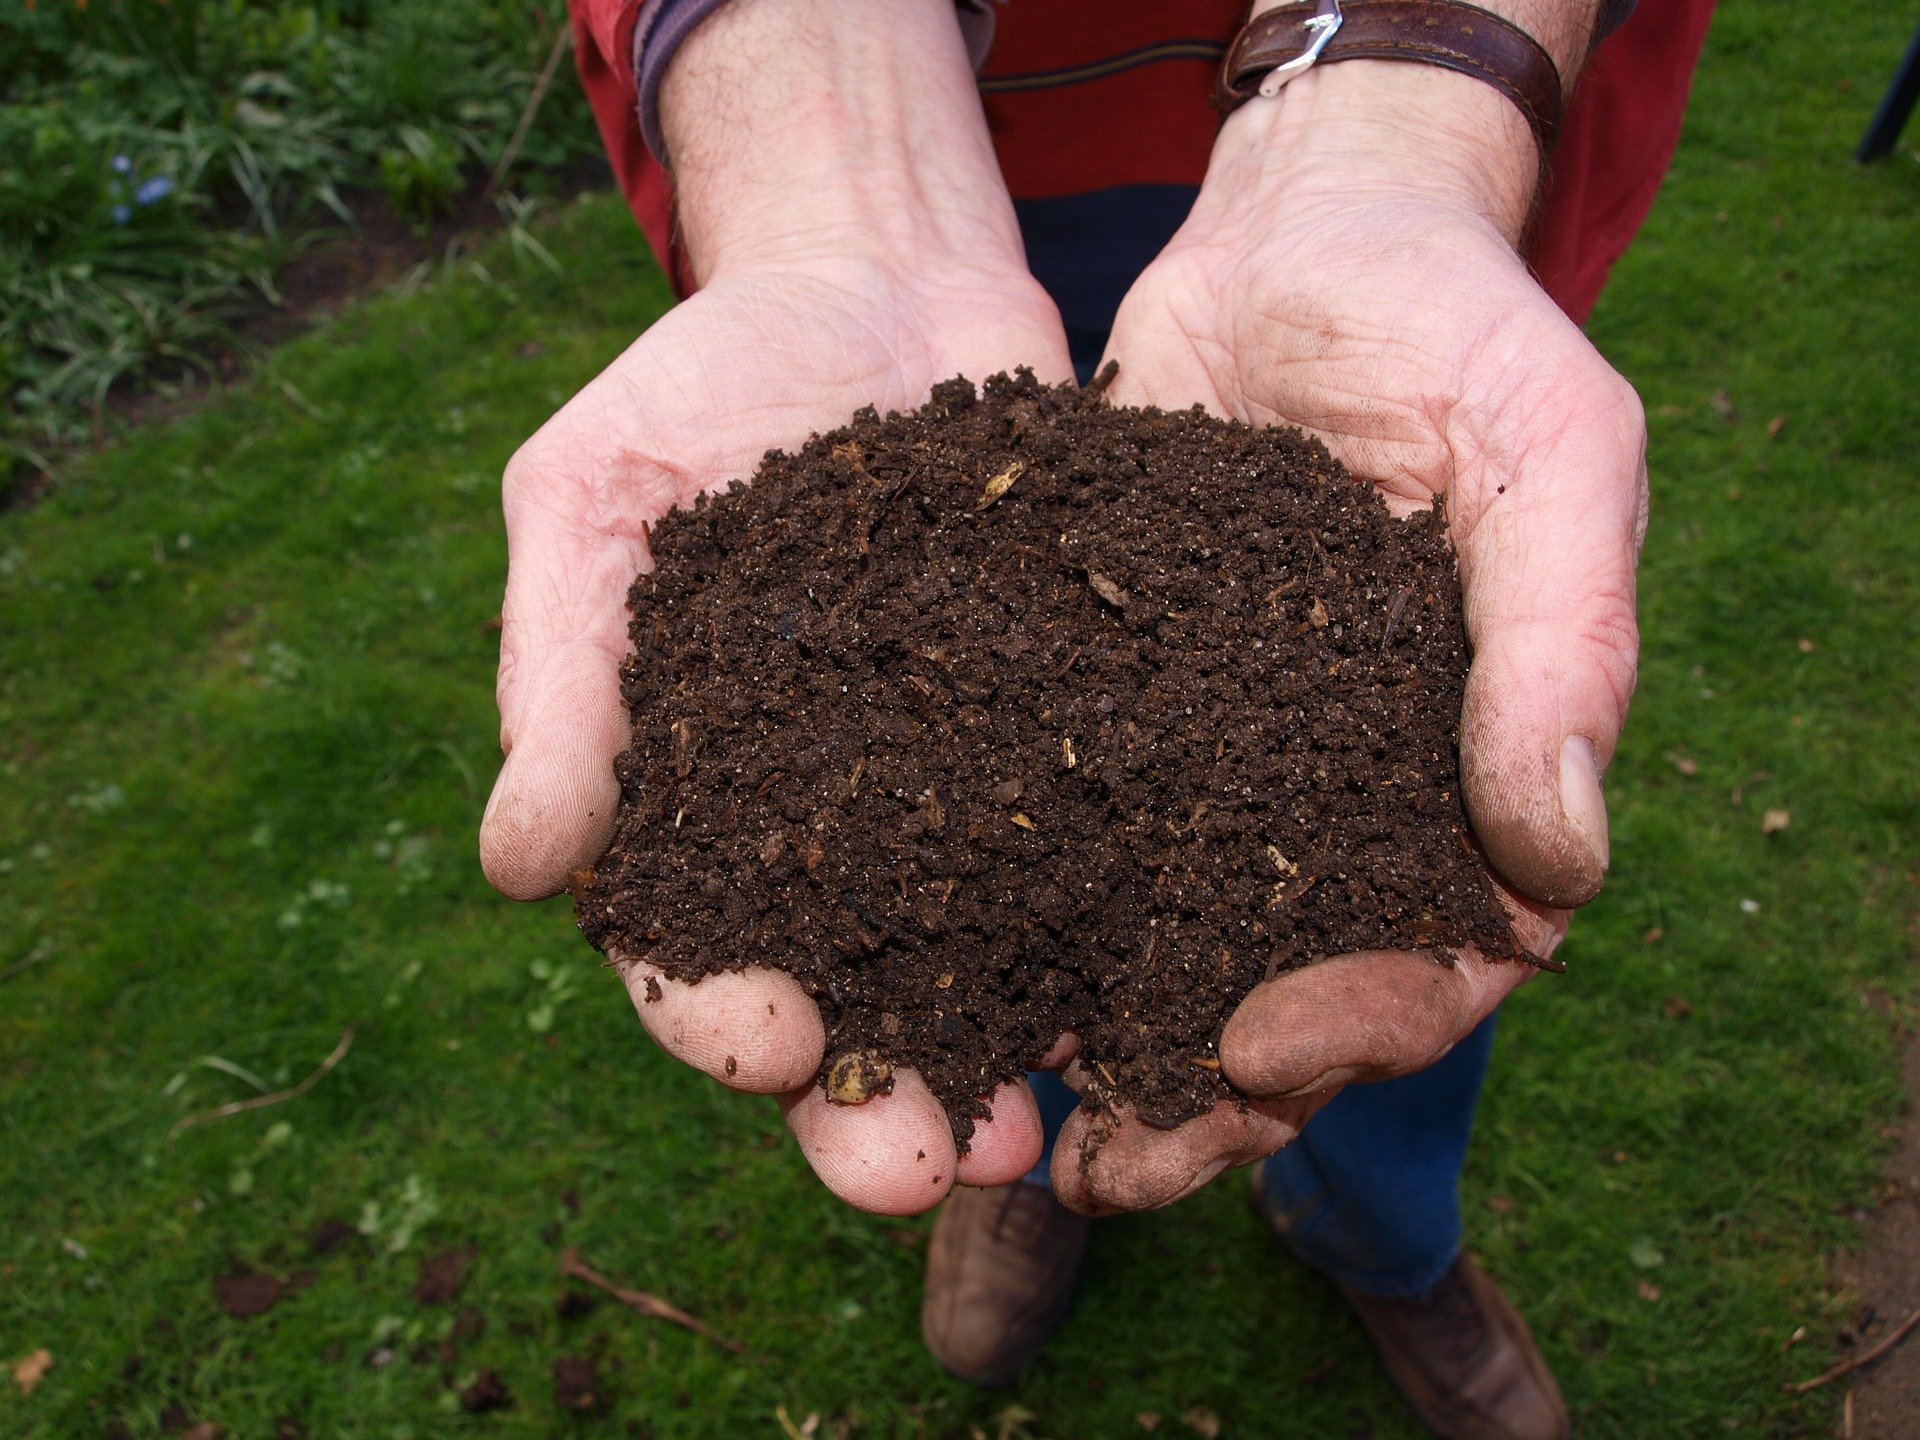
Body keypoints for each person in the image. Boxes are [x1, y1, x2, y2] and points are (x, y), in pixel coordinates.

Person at [480, 1, 1717, 1435]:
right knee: (1037, 951)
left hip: (1419, 130)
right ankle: (1028, 1159)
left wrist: (1398, 114)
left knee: (1405, 883)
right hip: (955, 125)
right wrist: (832, 153)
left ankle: (1383, 1237)